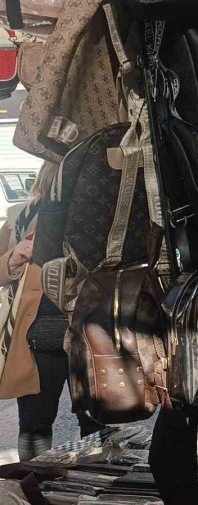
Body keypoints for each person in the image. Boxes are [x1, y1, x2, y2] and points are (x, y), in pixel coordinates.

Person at [0, 163, 104, 461]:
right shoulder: (21, 215)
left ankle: (88, 485)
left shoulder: (97, 215)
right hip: (42, 331)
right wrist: (15, 256)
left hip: (84, 330)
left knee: (93, 421)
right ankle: (37, 484)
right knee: (37, 425)